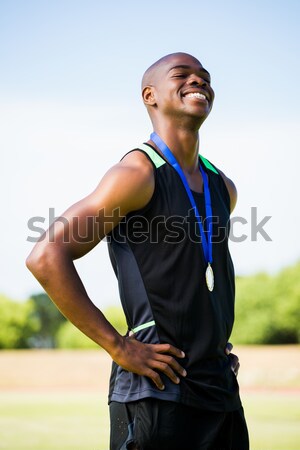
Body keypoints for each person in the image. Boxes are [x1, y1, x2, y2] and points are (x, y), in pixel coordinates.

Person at [26, 52, 249, 449]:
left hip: (221, 392)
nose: (198, 81)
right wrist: (118, 345)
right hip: (156, 392)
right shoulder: (137, 174)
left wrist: (212, 343)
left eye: (205, 77)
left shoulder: (223, 188)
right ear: (150, 95)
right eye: (182, 75)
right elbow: (46, 256)